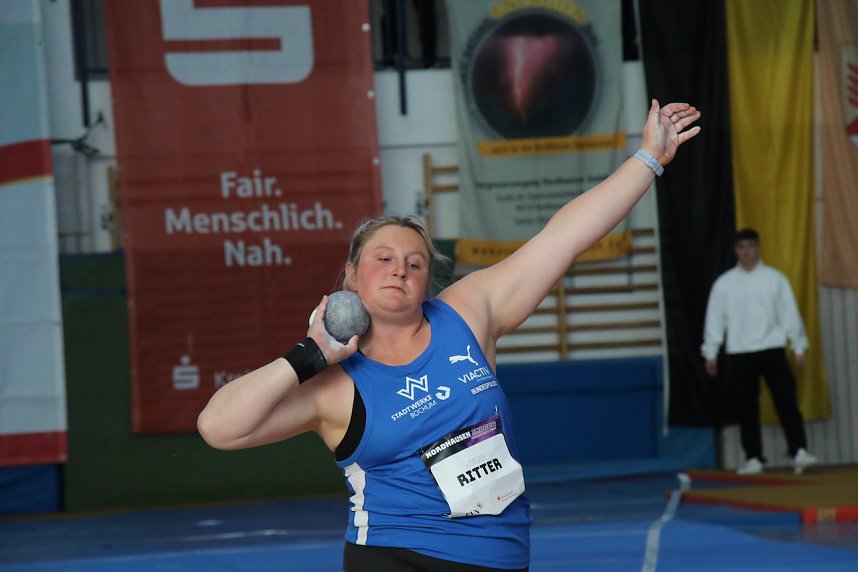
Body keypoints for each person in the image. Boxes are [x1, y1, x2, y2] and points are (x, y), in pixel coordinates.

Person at [197, 100, 701, 571]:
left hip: (498, 556)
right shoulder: (333, 384)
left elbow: (563, 237)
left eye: (415, 263)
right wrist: (308, 355)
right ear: (351, 275)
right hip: (392, 554)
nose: (399, 270)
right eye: (383, 259)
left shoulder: (468, 313)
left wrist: (648, 159)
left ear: (427, 281)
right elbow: (219, 428)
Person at [701, 228, 817, 476]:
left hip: (772, 349)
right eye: (742, 247)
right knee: (746, 408)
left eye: (751, 246)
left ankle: (799, 451)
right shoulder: (724, 284)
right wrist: (710, 352)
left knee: (786, 401)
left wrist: (798, 346)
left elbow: (789, 314)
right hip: (740, 352)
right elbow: (715, 319)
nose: (747, 252)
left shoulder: (775, 279)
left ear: (758, 248)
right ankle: (753, 457)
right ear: (736, 251)